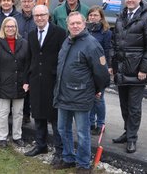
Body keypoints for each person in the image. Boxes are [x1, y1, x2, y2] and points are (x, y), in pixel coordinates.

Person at [53, 12, 109, 173]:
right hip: (63, 94)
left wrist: (98, 90)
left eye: (78, 23)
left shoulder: (91, 44)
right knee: (63, 129)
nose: (75, 26)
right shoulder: (67, 41)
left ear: (84, 24)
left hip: (81, 96)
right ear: (68, 25)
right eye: (72, 24)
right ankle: (68, 157)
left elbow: (102, 73)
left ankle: (83, 164)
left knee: (83, 133)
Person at [111, 0, 147, 154]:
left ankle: (132, 139)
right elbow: (114, 43)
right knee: (124, 104)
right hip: (122, 70)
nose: (130, 0)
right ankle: (127, 132)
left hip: (138, 71)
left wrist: (144, 69)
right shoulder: (121, 16)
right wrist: (113, 65)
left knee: (134, 107)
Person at [23, 5, 66, 168]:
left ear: (48, 16)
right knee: (38, 114)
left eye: (42, 15)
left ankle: (59, 150)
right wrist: (27, 79)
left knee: (55, 118)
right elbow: (30, 58)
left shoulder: (60, 33)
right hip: (36, 80)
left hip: (53, 80)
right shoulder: (32, 35)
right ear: (33, 17)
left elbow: (63, 57)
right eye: (36, 15)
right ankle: (41, 145)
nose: (39, 18)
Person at [0, 17, 28, 148]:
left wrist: (27, 82)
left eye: (13, 26)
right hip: (3, 84)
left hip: (19, 83)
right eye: (8, 26)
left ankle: (17, 136)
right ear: (3, 28)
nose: (10, 29)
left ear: (16, 28)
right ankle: (2, 137)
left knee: (18, 112)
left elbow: (27, 65)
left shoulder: (24, 43)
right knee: (3, 112)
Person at [86, 6, 113, 136]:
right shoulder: (85, 30)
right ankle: (91, 123)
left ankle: (101, 124)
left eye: (95, 15)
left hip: (100, 69)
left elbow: (108, 50)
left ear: (101, 17)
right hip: (87, 69)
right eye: (90, 15)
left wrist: (108, 67)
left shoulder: (106, 32)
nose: (92, 17)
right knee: (90, 97)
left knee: (99, 98)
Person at [18, 0, 37, 124]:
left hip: (34, 57)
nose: (27, 4)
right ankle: (20, 113)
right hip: (18, 56)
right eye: (24, 1)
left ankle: (28, 113)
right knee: (20, 84)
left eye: (29, 1)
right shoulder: (16, 18)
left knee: (32, 87)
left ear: (34, 2)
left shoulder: (38, 18)